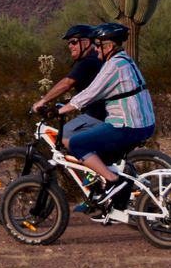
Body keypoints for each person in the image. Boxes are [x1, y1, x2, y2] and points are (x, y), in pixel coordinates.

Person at [55, 22, 156, 210]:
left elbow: (91, 93)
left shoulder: (114, 66)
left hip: (127, 125)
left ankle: (114, 182)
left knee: (77, 143)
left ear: (109, 46)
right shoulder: (125, 60)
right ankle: (102, 198)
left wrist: (60, 110)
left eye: (98, 44)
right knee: (101, 155)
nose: (95, 48)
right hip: (142, 124)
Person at [31, 24, 107, 139]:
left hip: (97, 116)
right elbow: (88, 91)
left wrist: (42, 101)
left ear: (86, 42)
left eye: (74, 42)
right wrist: (63, 104)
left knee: (64, 136)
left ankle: (88, 157)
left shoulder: (88, 61)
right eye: (69, 43)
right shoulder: (95, 58)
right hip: (102, 114)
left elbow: (67, 84)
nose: (70, 46)